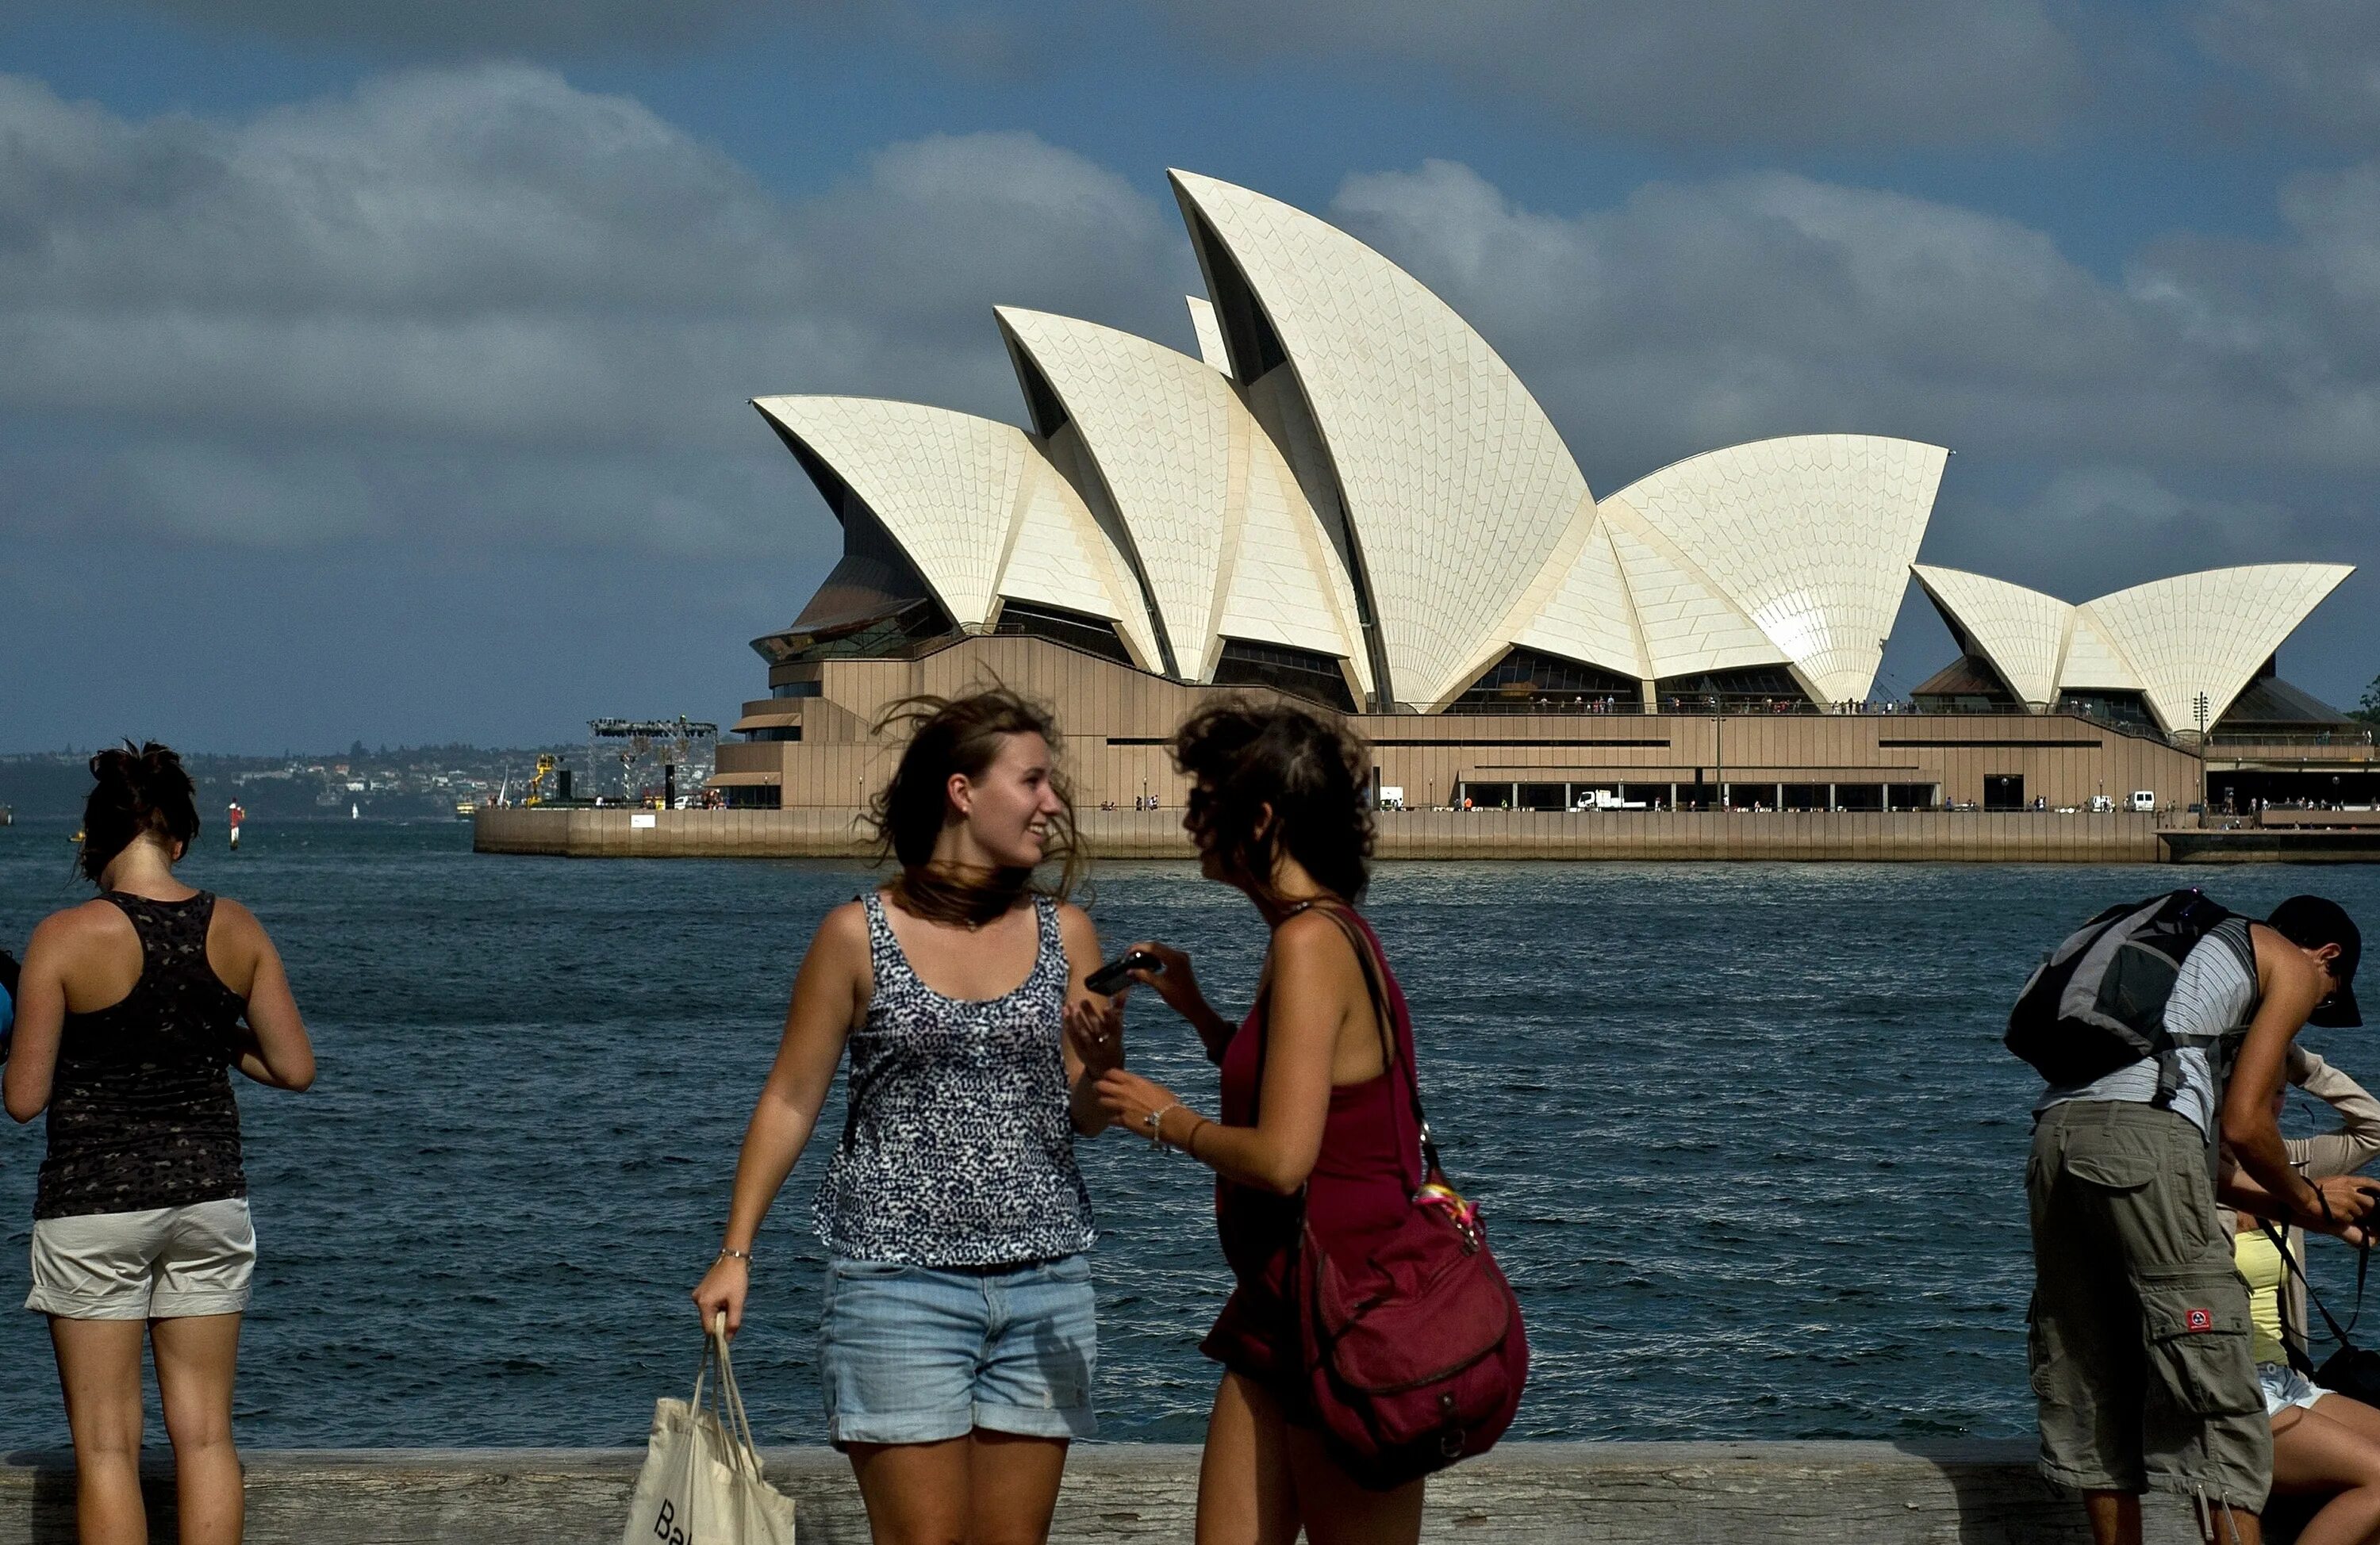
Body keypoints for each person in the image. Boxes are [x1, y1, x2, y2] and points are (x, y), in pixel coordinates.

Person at [690, 688, 1123, 1545]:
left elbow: (1086, 1115)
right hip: (897, 1288)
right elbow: (789, 1096)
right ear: (962, 791)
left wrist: (1104, 1063)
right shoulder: (856, 933)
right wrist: (735, 1251)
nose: (1053, 802)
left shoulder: (1067, 931)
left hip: (1046, 1285)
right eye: (1033, 780)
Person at [1092, 699, 1426, 1545]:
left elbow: (1282, 1157)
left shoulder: (1311, 945)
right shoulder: (1320, 935)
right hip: (1283, 1308)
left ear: (1263, 818)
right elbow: (1310, 1092)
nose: (1192, 820)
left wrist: (1160, 1116)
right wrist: (1202, 1015)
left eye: (1207, 801)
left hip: (1348, 1318)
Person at [4, 742, 317, 1545]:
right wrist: (211, 1033)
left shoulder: (62, 939)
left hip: (94, 1203)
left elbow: (24, 1099)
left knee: (107, 1445)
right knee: (207, 1434)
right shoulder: (237, 927)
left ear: (95, 842)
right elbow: (293, 1066)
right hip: (209, 1198)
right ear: (179, 839)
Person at [2029, 892, 2369, 1545]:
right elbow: (2245, 1127)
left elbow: (2205, 1168)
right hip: (2146, 1136)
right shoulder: (2293, 967)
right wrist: (2308, 1200)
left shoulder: (2186, 967)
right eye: (2327, 996)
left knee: (2090, 1368)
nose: (2307, 1013)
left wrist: (2316, 1215)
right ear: (2328, 958)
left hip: (2057, 1136)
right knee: (2215, 1379)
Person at [2232, 1045, 2380, 1543]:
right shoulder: (2187, 1175)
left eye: (2277, 1094)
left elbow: (2374, 1126)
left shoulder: (2289, 1163)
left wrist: (2293, 1060)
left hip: (2286, 1380)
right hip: (2230, 1386)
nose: (2270, 1107)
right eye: (2255, 1092)